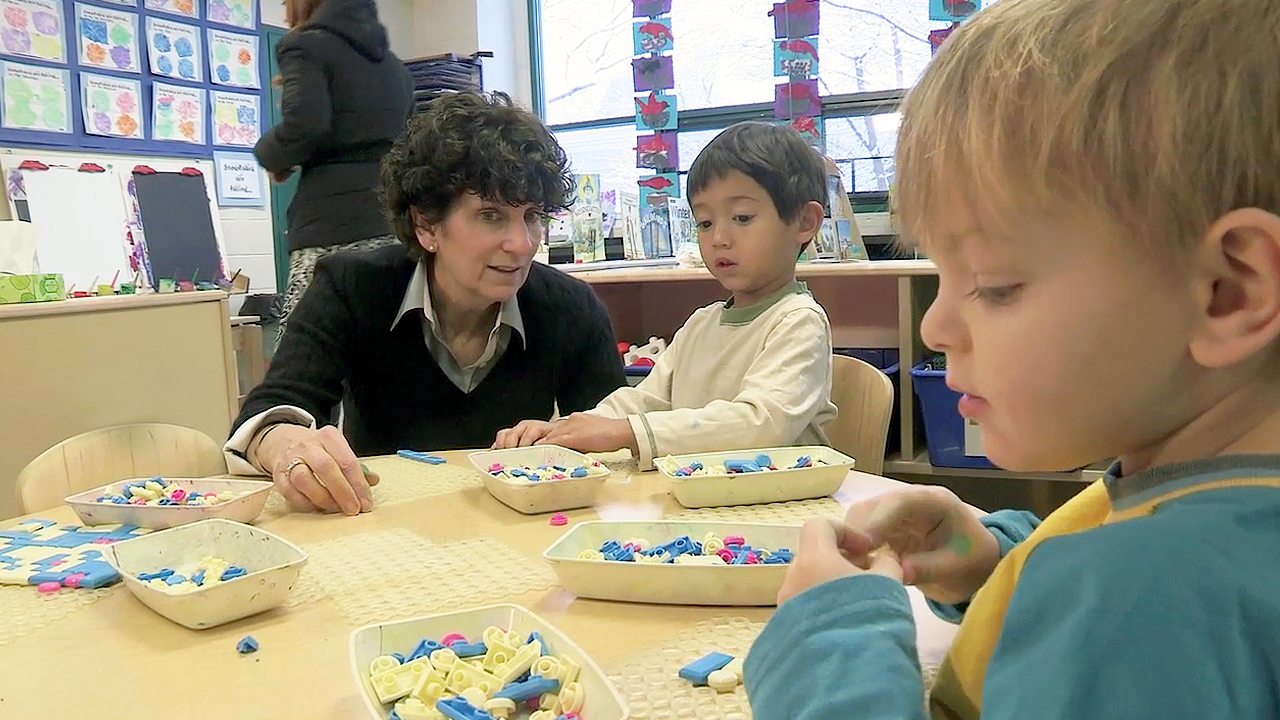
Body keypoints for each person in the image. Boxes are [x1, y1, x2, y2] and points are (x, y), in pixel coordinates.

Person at [744, 0, 1280, 718]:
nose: (935, 326)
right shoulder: (1205, 508)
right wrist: (996, 561)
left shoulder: (1143, 601)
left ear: (1228, 291)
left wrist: (830, 644)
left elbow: (1147, 606)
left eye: (994, 286)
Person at [226, 92, 626, 515]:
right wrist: (286, 443)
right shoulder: (351, 286)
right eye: (490, 215)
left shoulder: (571, 306)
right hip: (382, 529)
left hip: (521, 529)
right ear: (425, 224)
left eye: (531, 216)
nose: (522, 244)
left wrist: (560, 438)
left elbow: (614, 442)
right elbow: (271, 409)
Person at [495, 122, 837, 470]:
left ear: (804, 221)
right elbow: (646, 400)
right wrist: (567, 429)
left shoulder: (798, 320)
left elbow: (760, 424)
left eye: (742, 217)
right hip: (707, 503)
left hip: (784, 507)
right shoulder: (702, 323)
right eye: (704, 222)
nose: (719, 237)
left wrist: (624, 432)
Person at [255, 0, 413, 336]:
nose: (283, 8)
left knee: (306, 361)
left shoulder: (303, 45)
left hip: (329, 230)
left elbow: (305, 124)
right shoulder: (397, 69)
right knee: (384, 358)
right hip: (391, 229)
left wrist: (270, 155)